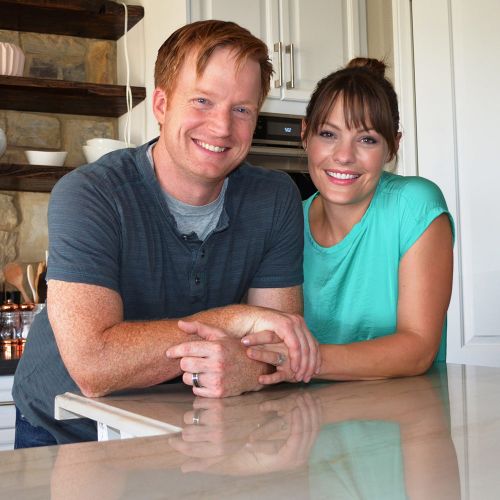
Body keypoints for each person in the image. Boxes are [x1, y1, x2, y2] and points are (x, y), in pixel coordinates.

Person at [12, 19, 319, 448]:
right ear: (161, 104)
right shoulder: (90, 194)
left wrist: (251, 364)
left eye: (242, 110)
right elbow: (95, 366)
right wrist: (235, 320)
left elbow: (279, 344)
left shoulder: (274, 198)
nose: (222, 127)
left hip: (195, 431)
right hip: (67, 428)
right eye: (202, 101)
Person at [244, 58, 454, 382]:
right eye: (328, 134)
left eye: (367, 139)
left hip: (407, 408)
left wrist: (301, 362)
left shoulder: (414, 207)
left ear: (393, 146)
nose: (344, 155)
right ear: (305, 134)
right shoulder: (286, 224)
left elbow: (419, 348)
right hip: (305, 410)